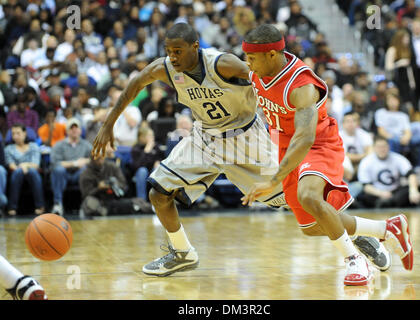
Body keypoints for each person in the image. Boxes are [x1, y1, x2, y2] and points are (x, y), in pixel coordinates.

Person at [92, 23, 287, 277]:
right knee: (158, 193)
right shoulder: (166, 68)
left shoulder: (223, 64)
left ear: (195, 47)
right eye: (168, 51)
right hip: (204, 138)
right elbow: (136, 83)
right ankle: (183, 252)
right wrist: (109, 123)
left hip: (246, 138)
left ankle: (348, 231)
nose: (172, 57)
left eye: (178, 51)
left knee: (292, 199)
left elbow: (267, 75)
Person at [241, 24, 414, 286]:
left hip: (318, 142)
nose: (248, 63)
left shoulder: (301, 86)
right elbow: (228, 65)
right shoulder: (257, 70)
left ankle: (354, 261)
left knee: (308, 195)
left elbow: (305, 138)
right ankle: (386, 229)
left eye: (252, 58)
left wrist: (273, 180)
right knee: (311, 227)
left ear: (272, 55)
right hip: (285, 144)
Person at [357, 135, 420, 209]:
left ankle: (389, 204)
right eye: (379, 147)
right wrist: (381, 193)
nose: (382, 149)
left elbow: (411, 174)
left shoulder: (398, 158)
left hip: (395, 192)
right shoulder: (366, 161)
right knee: (364, 197)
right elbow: (366, 186)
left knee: (407, 192)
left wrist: (413, 190)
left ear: (389, 147)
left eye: (384, 146)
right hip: (376, 193)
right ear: (374, 148)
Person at [50, 118, 92, 215]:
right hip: (63, 175)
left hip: (78, 174)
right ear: (67, 131)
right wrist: (75, 163)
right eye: (71, 128)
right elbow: (54, 163)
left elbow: (95, 160)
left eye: (76, 128)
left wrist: (85, 161)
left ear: (80, 130)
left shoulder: (86, 145)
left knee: (86, 169)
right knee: (58, 170)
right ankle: (57, 204)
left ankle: (86, 204)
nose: (74, 130)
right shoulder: (59, 145)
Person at [4, 124, 45, 216]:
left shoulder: (33, 146)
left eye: (18, 133)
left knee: (33, 172)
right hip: (16, 172)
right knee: (18, 172)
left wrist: (24, 165)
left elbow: (35, 164)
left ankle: (40, 206)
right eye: (13, 134)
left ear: (25, 133)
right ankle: (12, 207)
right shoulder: (8, 149)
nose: (15, 136)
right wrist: (22, 167)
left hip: (32, 171)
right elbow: (11, 165)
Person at [131, 127, 164, 200]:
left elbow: (162, 158)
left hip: (152, 172)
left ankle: (158, 200)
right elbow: (137, 166)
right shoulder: (136, 148)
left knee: (157, 169)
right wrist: (146, 151)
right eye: (149, 136)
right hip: (140, 174)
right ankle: (141, 200)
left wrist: (158, 162)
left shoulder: (156, 147)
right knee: (142, 170)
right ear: (141, 137)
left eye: (152, 135)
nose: (152, 138)